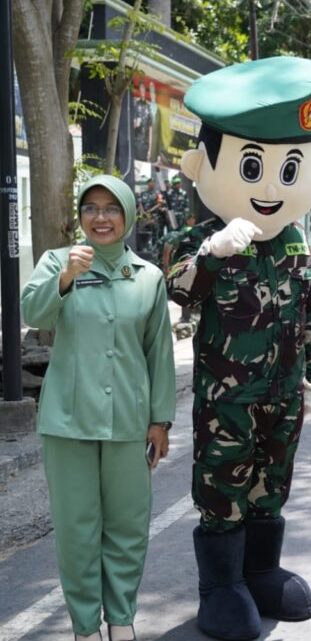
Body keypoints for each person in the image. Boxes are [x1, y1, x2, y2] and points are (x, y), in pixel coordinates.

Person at [168, 56, 311, 640]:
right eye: (251, 166)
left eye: (291, 168)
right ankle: (219, 586)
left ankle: (261, 571)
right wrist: (212, 254)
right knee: (224, 487)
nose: (270, 187)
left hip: (284, 395)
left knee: (272, 483)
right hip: (227, 401)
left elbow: (310, 314)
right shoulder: (197, 239)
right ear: (202, 165)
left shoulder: (296, 244)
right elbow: (179, 291)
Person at [20, 174, 176, 641]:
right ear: (81, 216)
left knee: (129, 525)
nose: (101, 217)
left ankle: (122, 619)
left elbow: (159, 354)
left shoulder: (148, 277)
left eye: (112, 208)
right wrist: (66, 278)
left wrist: (160, 420)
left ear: (128, 214)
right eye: (91, 208)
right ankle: (85, 627)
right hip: (68, 421)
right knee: (76, 529)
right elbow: (33, 314)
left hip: (129, 421)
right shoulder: (56, 262)